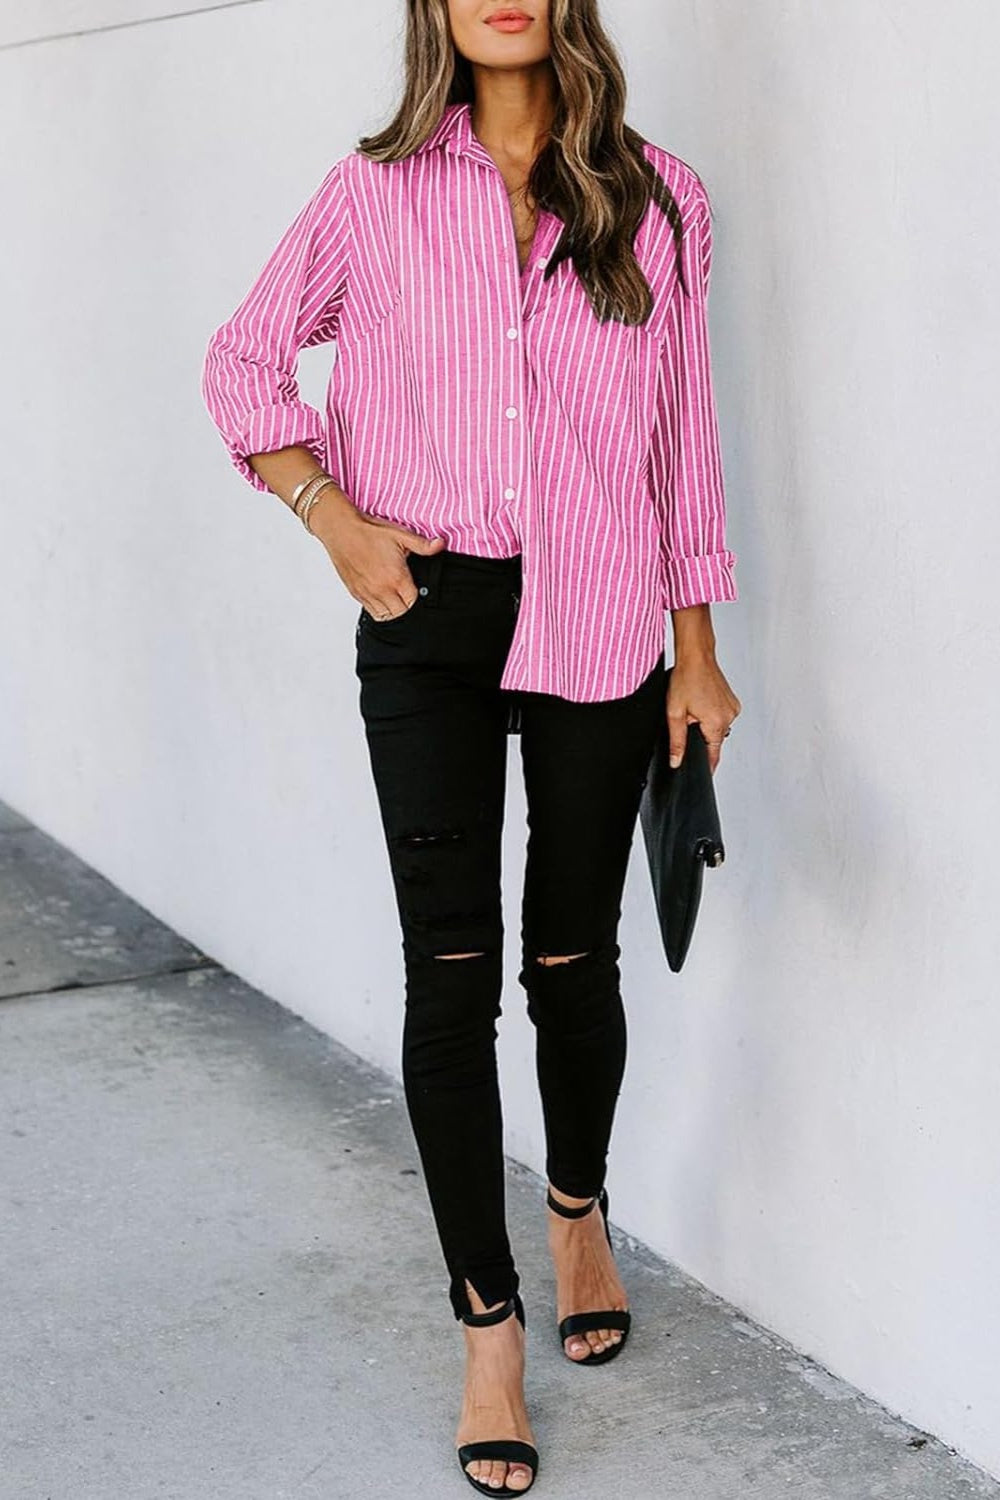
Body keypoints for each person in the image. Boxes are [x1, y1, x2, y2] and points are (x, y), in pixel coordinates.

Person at [201, 1, 741, 1491]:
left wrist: (699, 654)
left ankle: (578, 1212)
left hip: (604, 613)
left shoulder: (661, 194)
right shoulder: (371, 194)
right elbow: (243, 365)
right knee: (448, 975)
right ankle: (485, 1324)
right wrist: (332, 520)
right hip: (427, 612)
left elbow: (682, 439)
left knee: (571, 959)